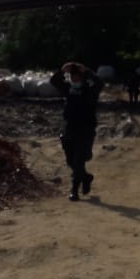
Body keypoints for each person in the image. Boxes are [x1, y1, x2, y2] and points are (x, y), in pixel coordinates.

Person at [50, 62, 104, 202]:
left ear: (83, 78)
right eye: (72, 77)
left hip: (85, 129)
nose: (75, 80)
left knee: (78, 160)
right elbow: (54, 81)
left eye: (78, 77)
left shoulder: (90, 91)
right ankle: (86, 178)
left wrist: (87, 70)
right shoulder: (68, 90)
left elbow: (100, 83)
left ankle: (74, 190)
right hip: (70, 128)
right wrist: (62, 70)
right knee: (71, 161)